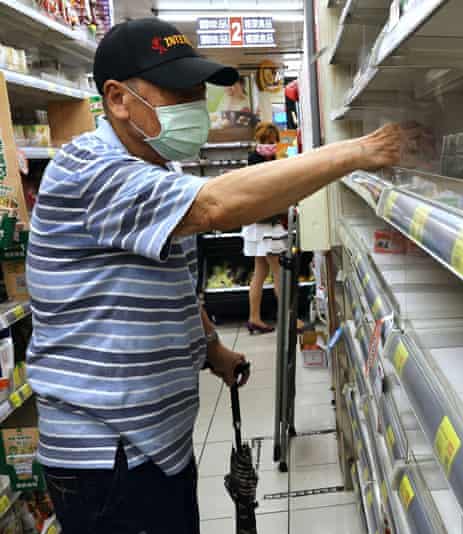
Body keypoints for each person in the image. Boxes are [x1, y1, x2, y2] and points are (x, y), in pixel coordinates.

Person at [26, 17, 402, 534]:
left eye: (198, 91)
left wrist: (211, 348)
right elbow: (215, 206)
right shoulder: (89, 169)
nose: (196, 104)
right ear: (117, 99)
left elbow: (171, 286)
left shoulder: (157, 169)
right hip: (107, 454)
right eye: (179, 91)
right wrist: (357, 151)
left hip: (153, 445)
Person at [241, 122, 285, 334]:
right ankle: (288, 319)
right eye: (267, 142)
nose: (271, 145)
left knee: (260, 272)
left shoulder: (264, 160)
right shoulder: (257, 164)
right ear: (258, 142)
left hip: (256, 223)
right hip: (266, 224)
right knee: (279, 272)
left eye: (273, 141)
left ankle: (254, 318)